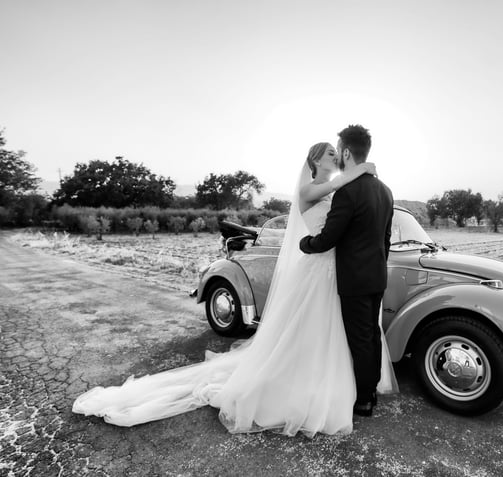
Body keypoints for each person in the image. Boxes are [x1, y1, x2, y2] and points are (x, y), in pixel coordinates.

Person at [72, 141, 398, 437]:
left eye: (337, 152)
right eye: (329, 153)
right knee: (314, 329)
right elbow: (335, 201)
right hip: (318, 265)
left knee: (335, 331)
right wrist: (363, 169)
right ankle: (312, 385)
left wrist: (359, 174)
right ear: (315, 160)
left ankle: (339, 383)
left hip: (335, 269)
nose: (335, 156)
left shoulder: (339, 190)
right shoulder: (313, 189)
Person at [300, 125, 394, 417]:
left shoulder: (346, 192)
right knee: (372, 334)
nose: (337, 155)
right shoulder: (385, 191)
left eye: (338, 150)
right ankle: (371, 391)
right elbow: (386, 240)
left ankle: (363, 400)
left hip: (353, 277)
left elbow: (329, 237)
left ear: (346, 153)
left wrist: (306, 243)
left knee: (360, 338)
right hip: (377, 275)